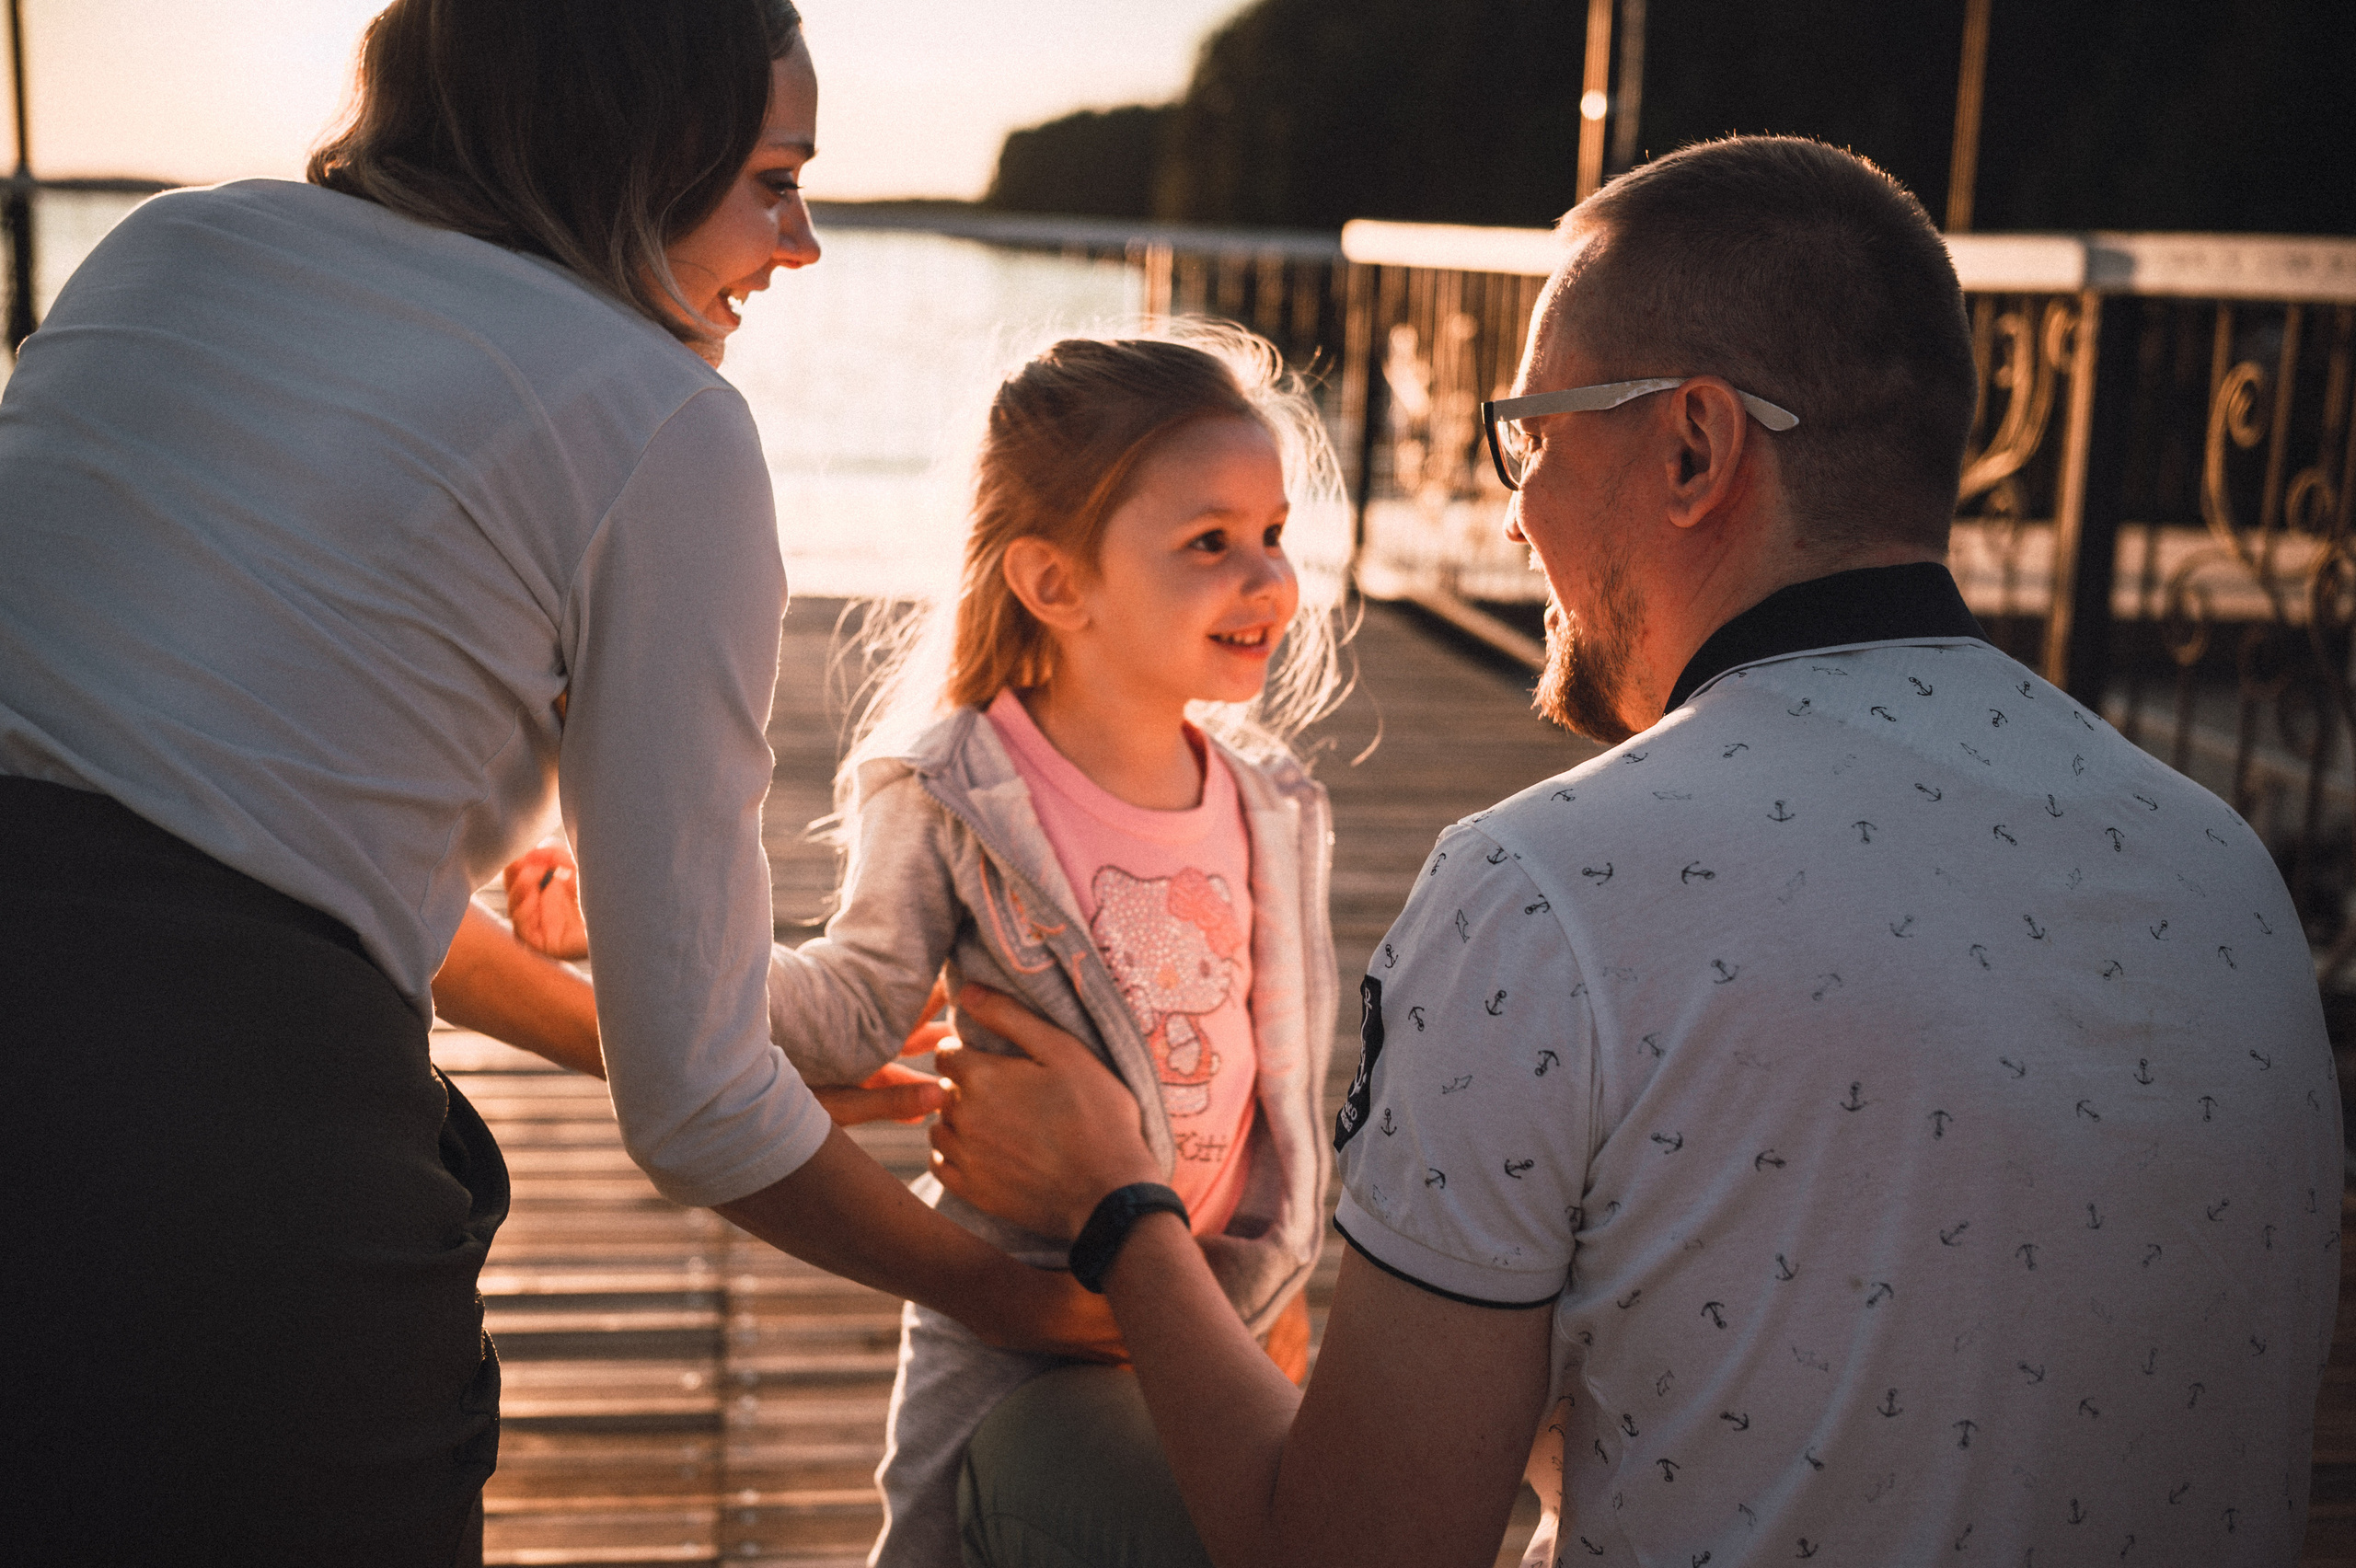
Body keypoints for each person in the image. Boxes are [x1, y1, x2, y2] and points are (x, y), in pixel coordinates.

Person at [925, 135, 2343, 1568]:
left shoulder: (1551, 897)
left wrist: (1126, 1211)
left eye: (1532, 434)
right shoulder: (2221, 871)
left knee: (1035, 1449)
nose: (1511, 506)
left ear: (1692, 448)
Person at [0, 5, 1109, 1563]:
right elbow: (706, 1117)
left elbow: (243, 839)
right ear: (630, 156)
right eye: (774, 179)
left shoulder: (166, 252)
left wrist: (661, 1042)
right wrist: (1023, 1297)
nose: (802, 245)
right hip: (229, 1207)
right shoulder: (662, 427)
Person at [499, 329, 1348, 1566]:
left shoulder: (1273, 802)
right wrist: (632, 917)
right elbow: (849, 1009)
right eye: (1209, 543)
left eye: (1274, 534)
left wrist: (1274, 1292)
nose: (1267, 579)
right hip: (1006, 1304)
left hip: (1229, 1290)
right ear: (1055, 584)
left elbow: (1283, 1080)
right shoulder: (954, 786)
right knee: (939, 1538)